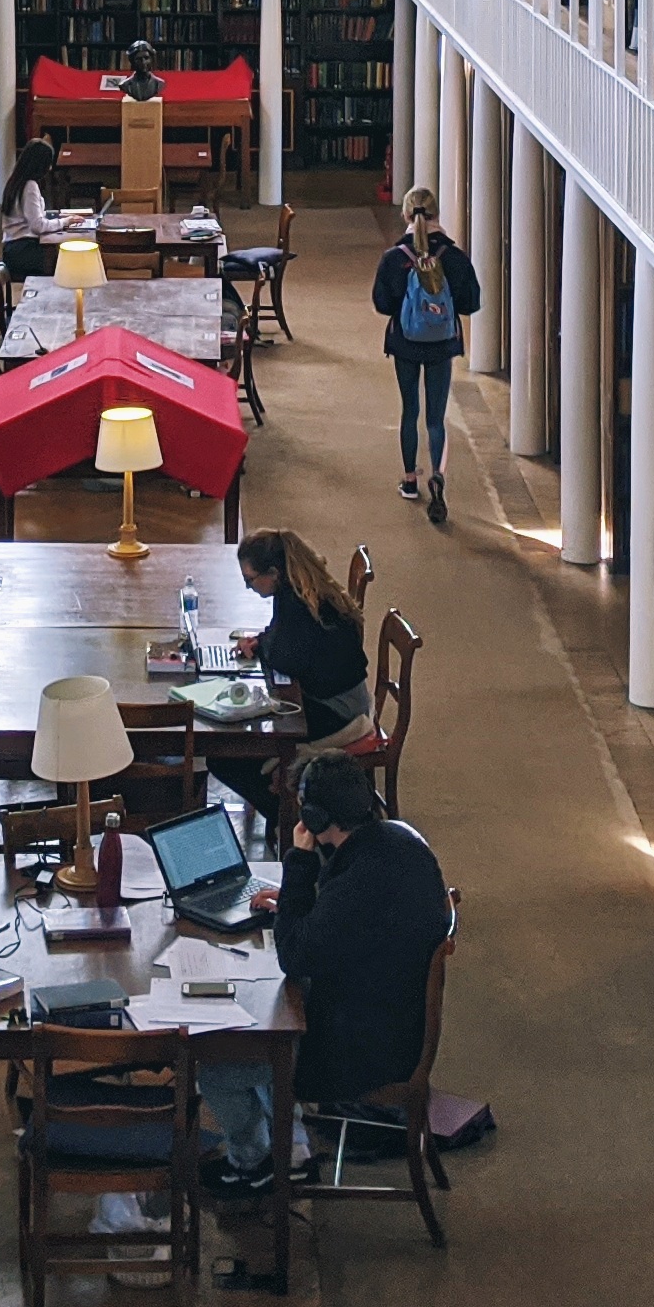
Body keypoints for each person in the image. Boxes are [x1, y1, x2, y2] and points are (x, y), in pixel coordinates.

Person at [198, 759, 451, 1197]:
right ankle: (290, 1150)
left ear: (314, 819)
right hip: (393, 1020)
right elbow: (346, 918)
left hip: (365, 1053)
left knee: (218, 1064)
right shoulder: (396, 840)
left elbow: (294, 956)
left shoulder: (359, 878)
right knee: (266, 1015)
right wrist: (301, 902)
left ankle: (253, 1162)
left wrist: (299, 862)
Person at [214, 529, 369, 826]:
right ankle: (283, 807)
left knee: (227, 756)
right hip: (342, 696)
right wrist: (262, 641)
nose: (248, 588)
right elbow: (279, 638)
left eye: (250, 579)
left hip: (341, 713)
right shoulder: (298, 588)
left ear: (273, 573)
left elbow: (288, 658)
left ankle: (285, 817)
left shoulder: (298, 605)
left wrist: (266, 644)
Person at [369, 185, 480, 524]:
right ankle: (438, 475)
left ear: (406, 214)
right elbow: (472, 302)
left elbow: (381, 303)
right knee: (435, 417)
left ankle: (408, 480)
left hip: (404, 343)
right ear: (436, 215)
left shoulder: (394, 258)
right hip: (442, 344)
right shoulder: (455, 258)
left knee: (409, 411)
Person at [0, 136, 67, 281]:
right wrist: (64, 222)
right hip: (22, 251)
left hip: (13, 247)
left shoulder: (16, 181)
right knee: (64, 261)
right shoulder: (30, 186)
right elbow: (37, 226)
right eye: (48, 164)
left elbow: (31, 216)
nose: (49, 168)